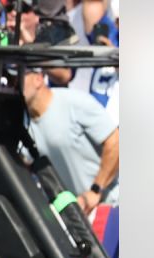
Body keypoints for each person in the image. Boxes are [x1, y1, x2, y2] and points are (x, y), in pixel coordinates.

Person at [21, 68, 119, 210]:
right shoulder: (23, 122)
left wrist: (96, 190)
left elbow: (115, 141)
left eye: (19, 77)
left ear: (38, 79)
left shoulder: (74, 102)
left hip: (110, 207)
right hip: (75, 217)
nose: (13, 84)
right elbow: (25, 165)